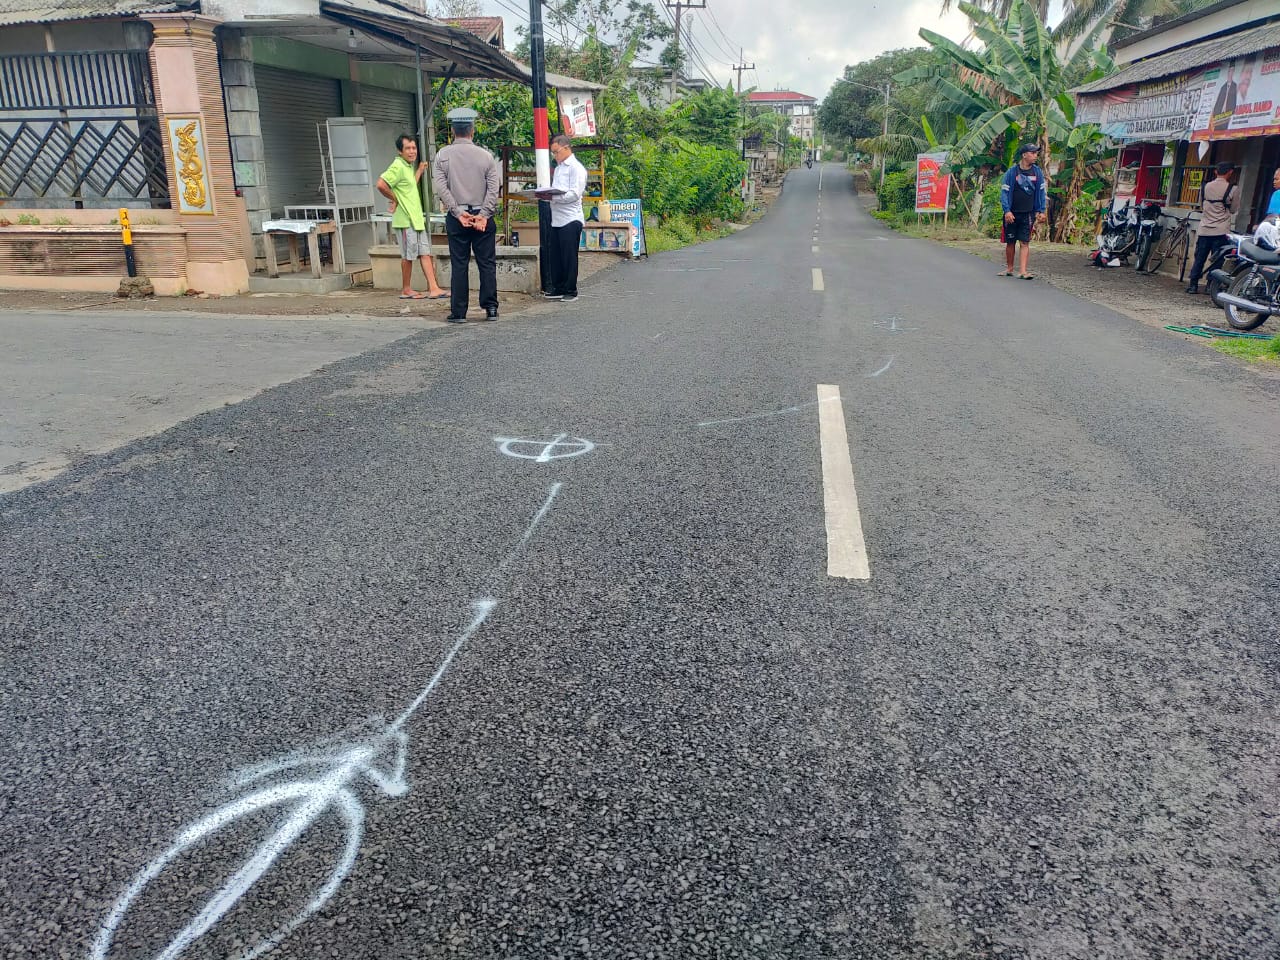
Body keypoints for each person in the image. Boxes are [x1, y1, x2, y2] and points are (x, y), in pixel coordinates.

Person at [432, 107, 500, 323]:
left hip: (457, 218)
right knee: (487, 263)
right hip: (482, 217)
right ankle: (491, 309)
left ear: (453, 130)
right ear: (472, 130)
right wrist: (483, 215)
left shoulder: (442, 155)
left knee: (459, 264)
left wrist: (458, 212)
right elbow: (493, 188)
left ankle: (459, 312)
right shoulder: (486, 156)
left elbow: (441, 188)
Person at [376, 134, 448, 301]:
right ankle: (406, 289)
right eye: (407, 148)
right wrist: (395, 199)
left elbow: (408, 187)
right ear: (400, 151)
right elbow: (381, 184)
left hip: (416, 220)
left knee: (425, 253)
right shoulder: (397, 166)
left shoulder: (407, 167)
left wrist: (420, 171)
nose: (412, 151)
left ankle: (434, 288)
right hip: (405, 219)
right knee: (408, 256)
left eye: (414, 148)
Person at [536, 134, 587, 303]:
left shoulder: (576, 168)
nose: (555, 156)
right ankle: (558, 287)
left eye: (556, 152)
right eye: (553, 153)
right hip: (556, 217)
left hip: (571, 218)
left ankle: (571, 289)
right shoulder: (558, 168)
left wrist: (553, 198)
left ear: (566, 148)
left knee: (568, 255)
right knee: (556, 255)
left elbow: (574, 194)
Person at [1186, 161, 1238, 294]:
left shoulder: (1205, 187)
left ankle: (1193, 285)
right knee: (1217, 260)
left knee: (1199, 258)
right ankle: (1210, 285)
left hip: (1204, 229)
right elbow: (1233, 209)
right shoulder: (1232, 189)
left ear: (1216, 171)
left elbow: (1201, 205)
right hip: (1221, 231)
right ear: (1230, 172)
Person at [999, 143, 1048, 280]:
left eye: (1036, 153)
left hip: (1028, 213)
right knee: (1010, 242)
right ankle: (1009, 268)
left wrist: (1041, 210)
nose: (1035, 156)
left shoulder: (1037, 172)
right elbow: (1004, 192)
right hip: (1012, 213)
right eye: (1032, 153)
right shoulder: (1012, 172)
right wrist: (1007, 211)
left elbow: (1041, 192)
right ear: (1024, 155)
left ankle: (1023, 271)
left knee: (1025, 242)